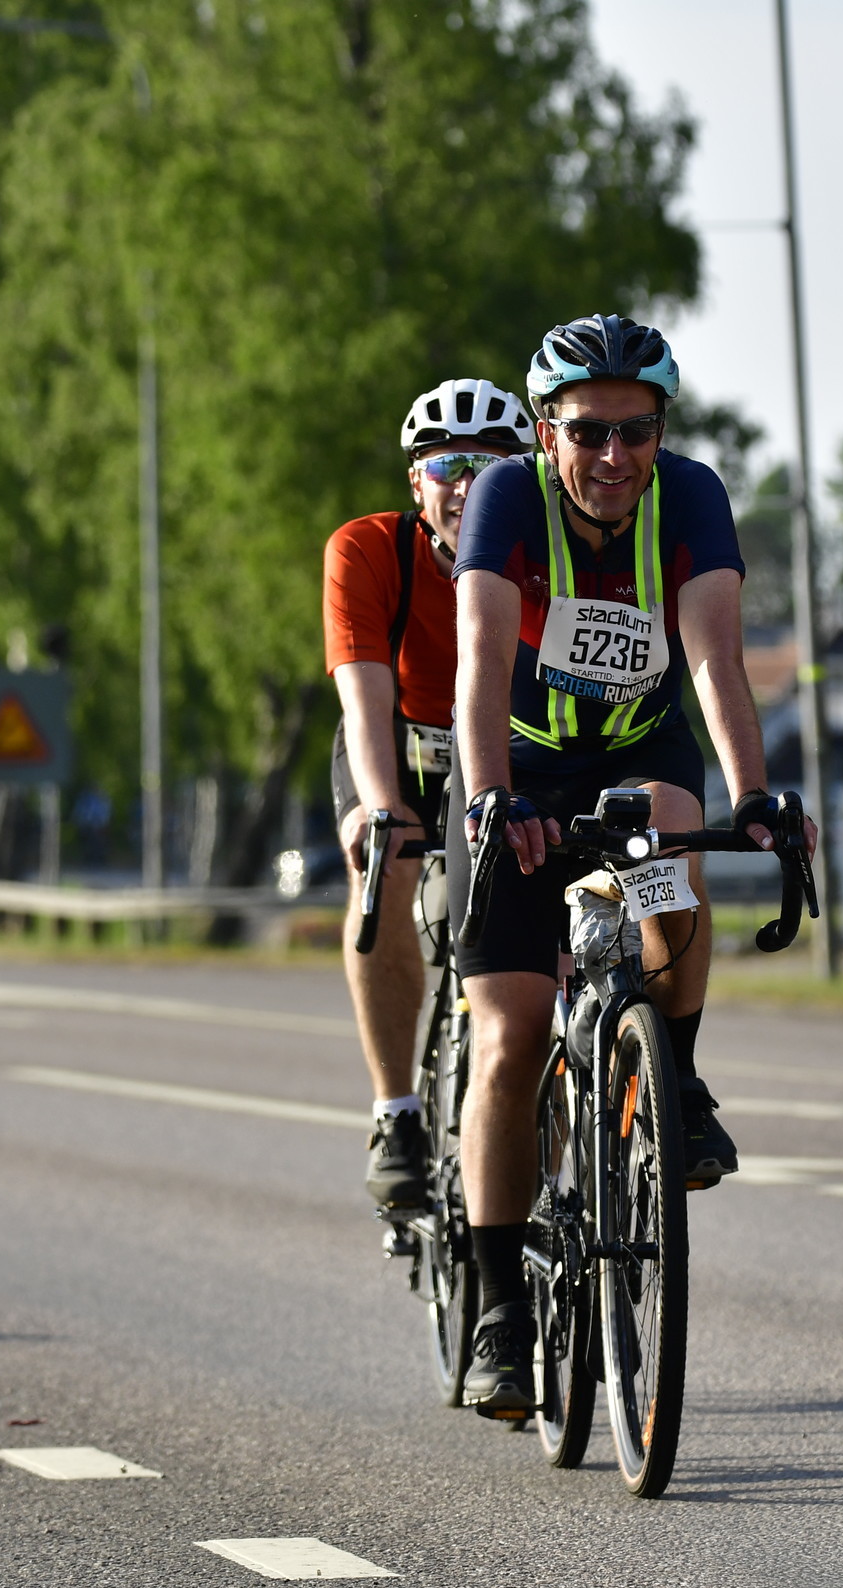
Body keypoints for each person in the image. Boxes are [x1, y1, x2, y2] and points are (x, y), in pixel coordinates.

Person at [446, 314, 817, 1415]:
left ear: (662, 431)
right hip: (519, 766)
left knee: (673, 860)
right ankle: (500, 1307)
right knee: (511, 1034)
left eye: (637, 432)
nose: (614, 457)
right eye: (588, 432)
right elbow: (480, 662)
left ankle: (676, 1077)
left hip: (636, 758)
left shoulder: (690, 496)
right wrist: (487, 797)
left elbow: (714, 658)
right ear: (546, 433)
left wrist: (751, 794)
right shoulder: (506, 500)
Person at [323, 378, 537, 1210]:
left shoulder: (546, 559)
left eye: (489, 469)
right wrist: (381, 811)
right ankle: (397, 1112)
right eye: (447, 467)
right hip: (397, 747)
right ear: (417, 482)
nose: (465, 487)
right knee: (384, 865)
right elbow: (362, 700)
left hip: (505, 758)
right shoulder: (368, 550)